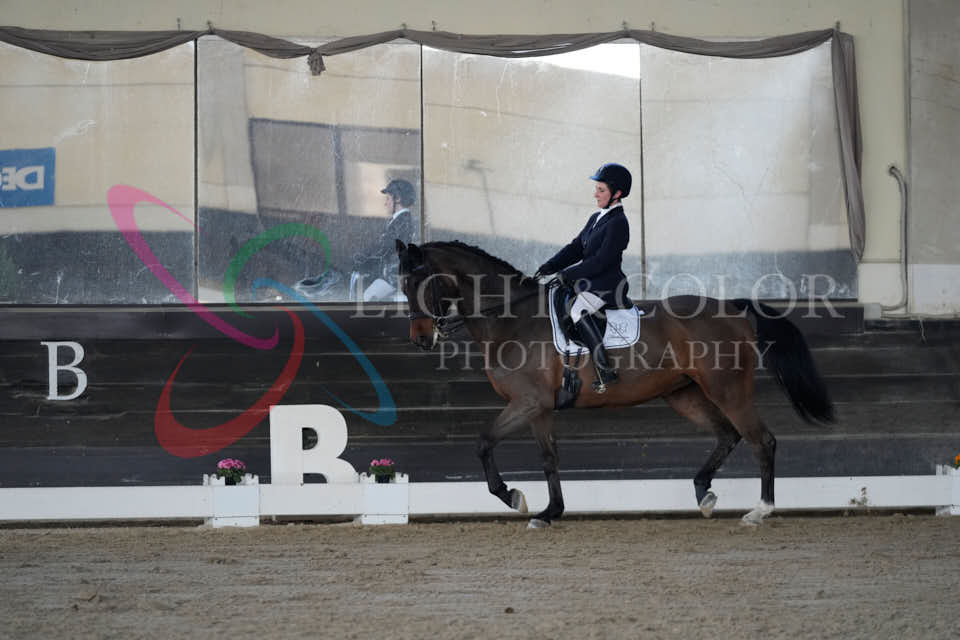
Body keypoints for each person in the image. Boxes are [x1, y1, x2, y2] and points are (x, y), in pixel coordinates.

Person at [534, 163, 632, 391]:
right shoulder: (596, 217)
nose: (595, 194)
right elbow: (576, 248)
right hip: (590, 282)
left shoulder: (619, 223)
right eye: (596, 189)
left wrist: (567, 273)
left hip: (607, 285)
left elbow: (601, 261)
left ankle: (605, 370)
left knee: (578, 310)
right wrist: (550, 266)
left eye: (601, 190)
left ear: (617, 193)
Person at [350, 178, 416, 301]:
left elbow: (386, 246)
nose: (386, 203)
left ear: (397, 199)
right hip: (393, 274)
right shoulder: (400, 220)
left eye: (388, 199)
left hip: (395, 276)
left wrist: (364, 256)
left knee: (368, 297)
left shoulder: (402, 221)